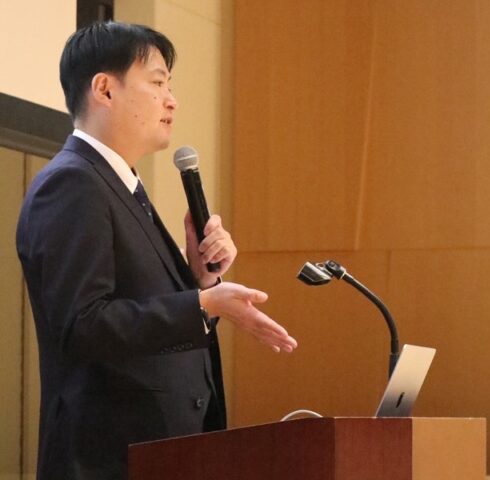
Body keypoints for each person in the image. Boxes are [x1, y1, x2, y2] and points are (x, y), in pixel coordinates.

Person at [16, 21, 298, 480]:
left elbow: (137, 310)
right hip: (108, 461)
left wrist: (199, 279)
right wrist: (203, 304)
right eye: (158, 82)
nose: (172, 100)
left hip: (159, 456)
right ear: (105, 89)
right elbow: (83, 324)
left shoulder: (119, 186)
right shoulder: (72, 183)